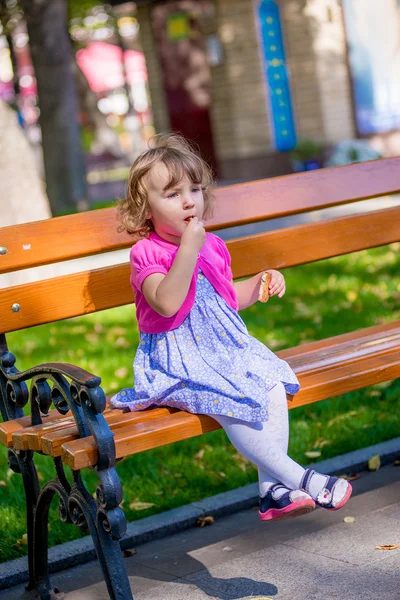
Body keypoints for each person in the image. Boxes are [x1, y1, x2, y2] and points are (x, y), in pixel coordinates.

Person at [110, 133, 352, 521]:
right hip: (180, 358)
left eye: (195, 189)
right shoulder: (146, 253)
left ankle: (271, 490)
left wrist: (259, 284)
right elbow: (168, 302)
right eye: (172, 194)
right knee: (233, 401)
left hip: (226, 348)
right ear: (146, 210)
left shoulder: (214, 245)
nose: (189, 200)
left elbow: (224, 300)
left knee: (272, 381)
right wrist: (188, 248)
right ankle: (300, 479)